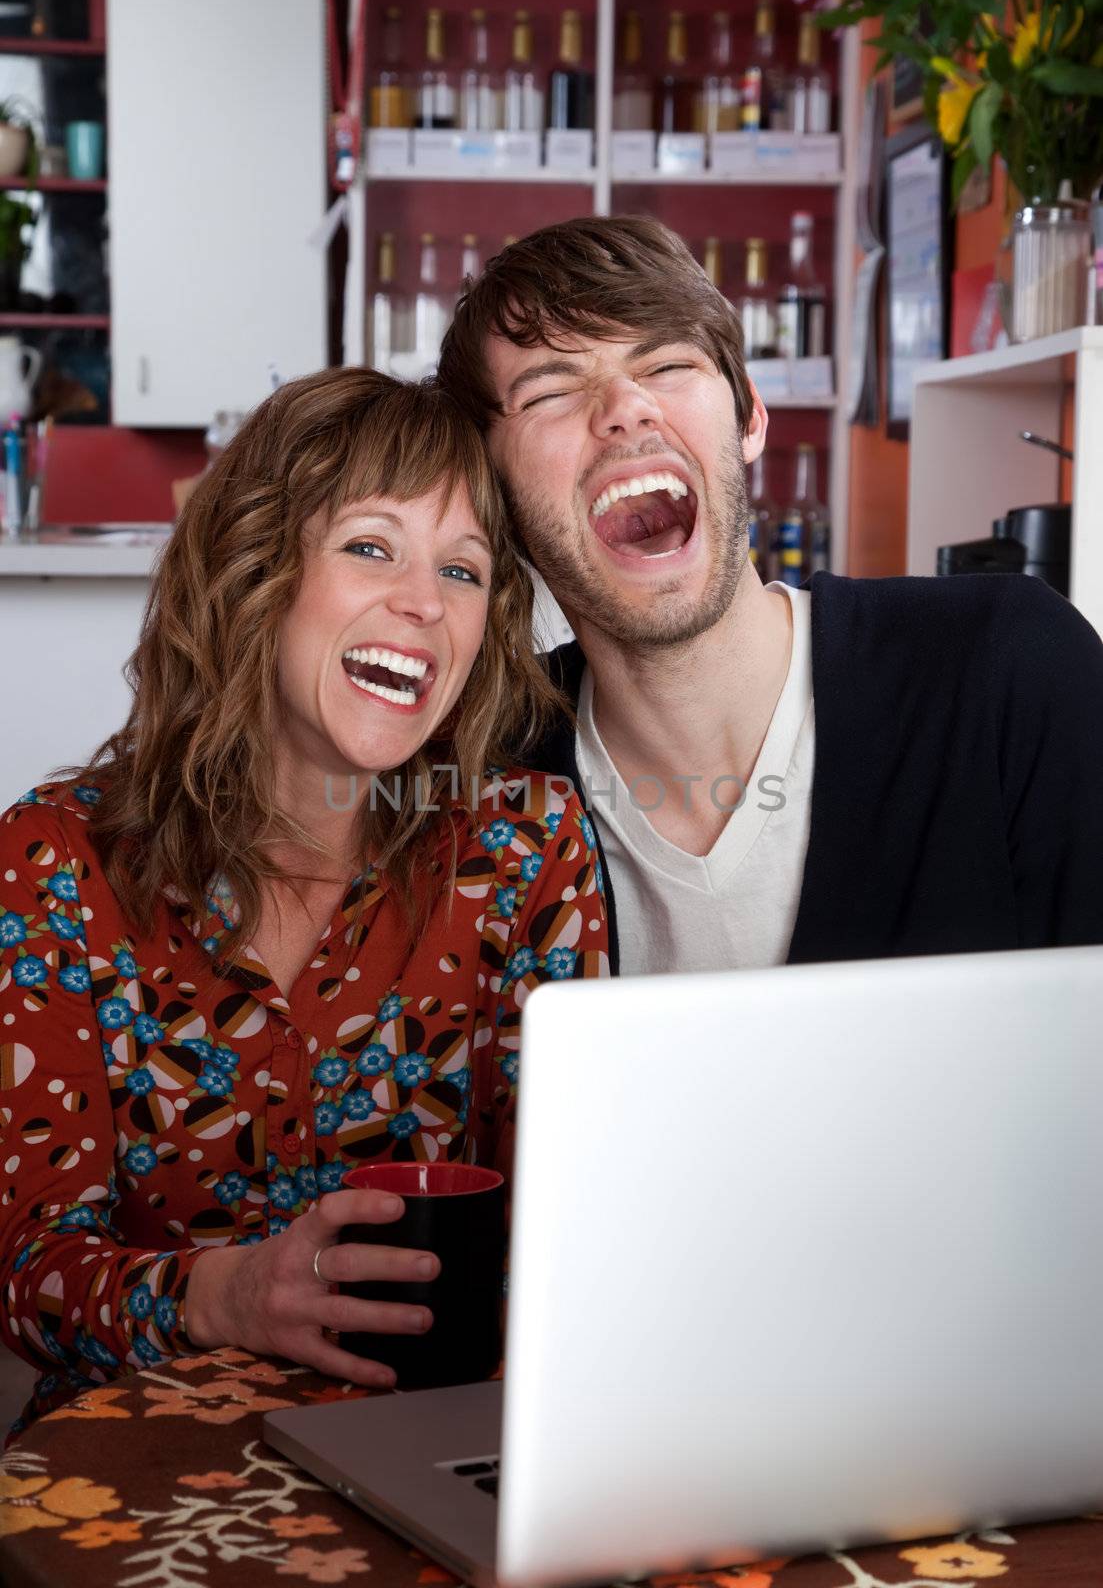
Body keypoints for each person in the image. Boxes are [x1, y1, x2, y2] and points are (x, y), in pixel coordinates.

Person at [0, 367, 607, 1440]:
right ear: (257, 569)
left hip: (444, 1444)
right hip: (147, 1473)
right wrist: (226, 1295)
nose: (423, 602)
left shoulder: (524, 849)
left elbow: (575, 1228)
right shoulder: (56, 861)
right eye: (370, 546)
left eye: (462, 570)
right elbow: (26, 1269)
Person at [435, 216, 1103, 973]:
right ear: (494, 493)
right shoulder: (483, 772)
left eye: (664, 366)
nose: (624, 407)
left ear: (749, 416)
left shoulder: (1007, 671)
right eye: (552, 390)